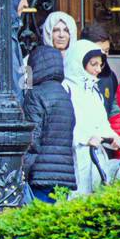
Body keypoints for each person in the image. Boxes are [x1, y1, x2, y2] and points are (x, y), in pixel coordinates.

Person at [63, 39, 120, 195]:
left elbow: (101, 123)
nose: (98, 69)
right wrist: (84, 138)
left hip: (96, 154)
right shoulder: (66, 88)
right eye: (93, 64)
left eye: (100, 64)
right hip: (75, 155)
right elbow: (64, 125)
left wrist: (113, 137)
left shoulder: (94, 90)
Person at [22, 44, 77, 203]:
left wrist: (21, 172)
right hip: (64, 176)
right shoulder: (64, 94)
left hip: (40, 175)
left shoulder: (36, 94)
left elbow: (32, 138)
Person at [82, 20, 120, 112]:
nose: (103, 55)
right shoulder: (75, 78)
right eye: (98, 51)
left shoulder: (110, 76)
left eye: (106, 51)